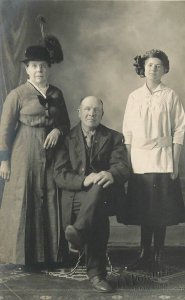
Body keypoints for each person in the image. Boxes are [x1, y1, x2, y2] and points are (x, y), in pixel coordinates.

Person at [0, 45, 70, 269]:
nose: (39, 70)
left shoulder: (56, 94)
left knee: (49, 198)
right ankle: (23, 257)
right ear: (27, 70)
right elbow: (5, 130)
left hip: (52, 155)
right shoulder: (17, 95)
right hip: (24, 153)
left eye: (43, 66)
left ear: (48, 69)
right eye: (34, 66)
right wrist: (4, 160)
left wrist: (58, 130)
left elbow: (65, 124)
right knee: (25, 198)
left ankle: (49, 256)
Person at [54, 96, 129, 292]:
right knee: (97, 214)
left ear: (102, 114)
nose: (91, 113)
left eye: (96, 110)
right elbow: (59, 174)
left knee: (98, 191)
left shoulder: (114, 137)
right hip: (76, 197)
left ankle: (78, 231)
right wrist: (84, 180)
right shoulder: (66, 139)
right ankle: (97, 274)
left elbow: (123, 166)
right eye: (87, 109)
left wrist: (110, 174)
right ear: (79, 112)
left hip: (106, 195)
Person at [122, 49, 185, 272]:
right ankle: (144, 254)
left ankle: (158, 256)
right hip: (139, 161)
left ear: (164, 69)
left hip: (162, 160)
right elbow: (127, 133)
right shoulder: (134, 97)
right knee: (144, 210)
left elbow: (179, 130)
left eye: (158, 66)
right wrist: (129, 164)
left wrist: (175, 163)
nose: (154, 69)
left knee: (161, 210)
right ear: (143, 68)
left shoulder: (170, 95)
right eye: (150, 65)